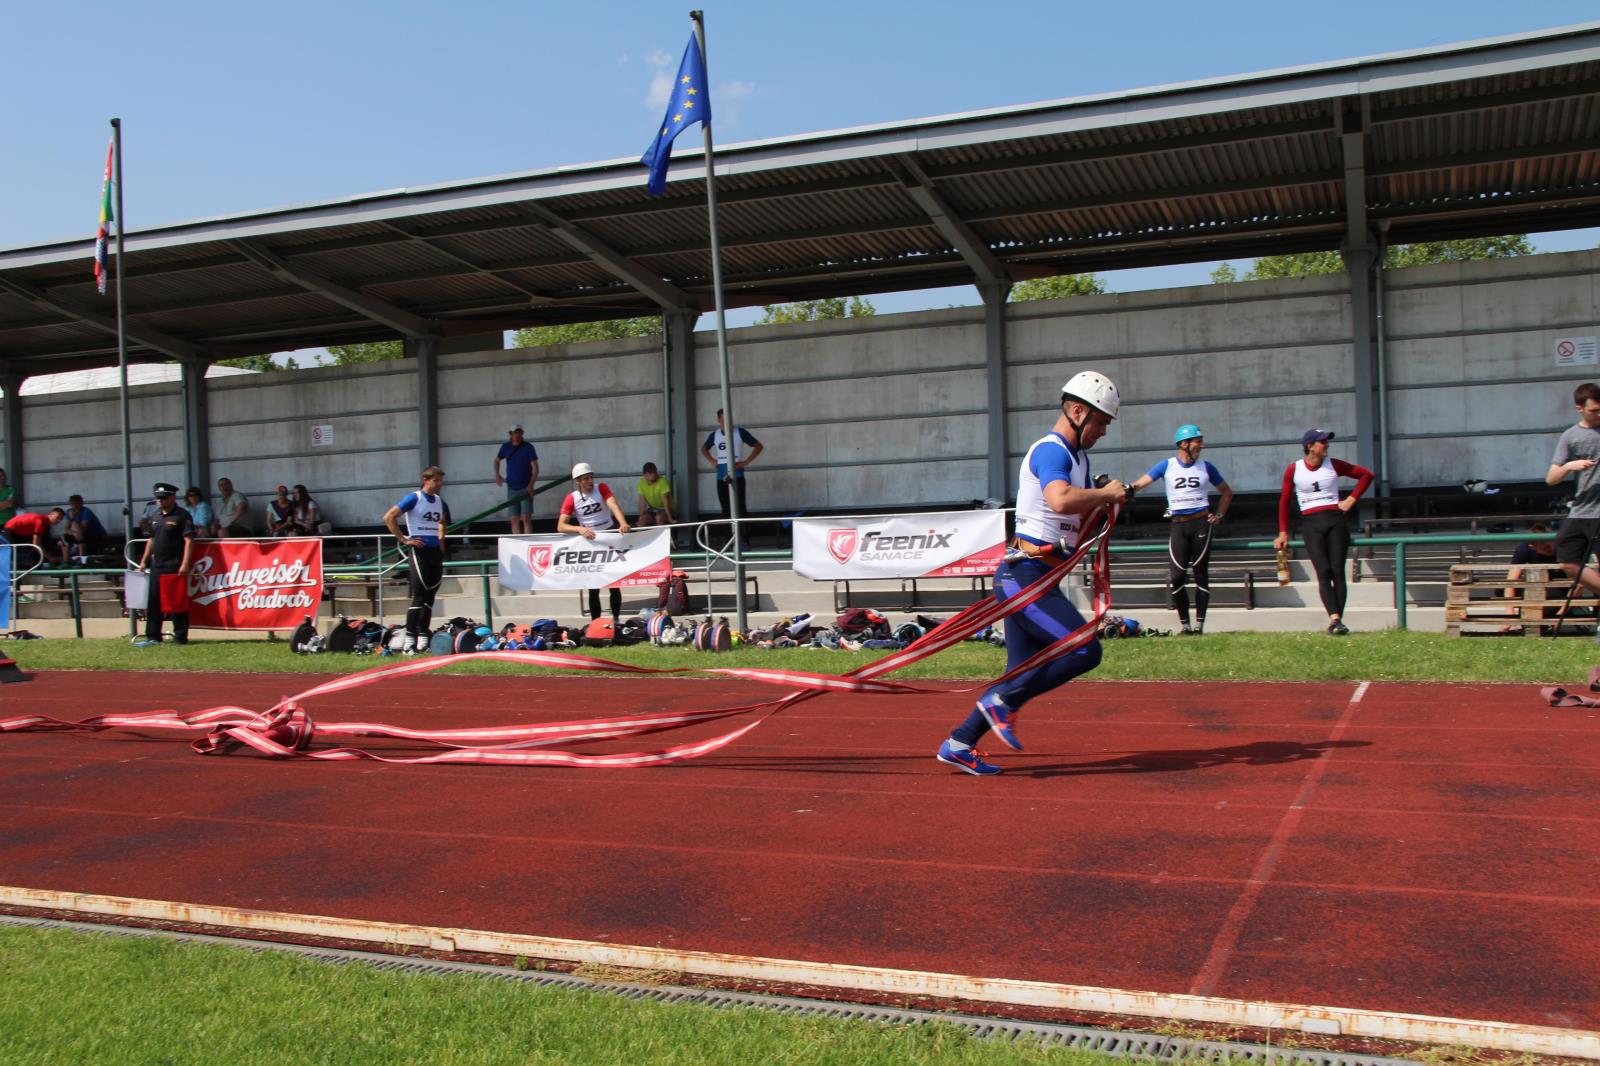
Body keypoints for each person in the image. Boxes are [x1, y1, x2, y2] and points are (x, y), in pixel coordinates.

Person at [937, 371, 1128, 777]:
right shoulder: (1051, 451)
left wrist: (1103, 499)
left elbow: (1073, 514)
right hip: (1022, 578)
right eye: (1101, 422)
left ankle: (958, 744)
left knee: (1018, 676)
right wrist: (1105, 493)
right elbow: (1059, 500)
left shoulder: (1078, 458)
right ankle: (1000, 703)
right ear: (1078, 412)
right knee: (1084, 649)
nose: (1103, 432)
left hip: (1037, 578)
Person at [1129, 424, 1233, 635]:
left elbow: (1227, 492)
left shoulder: (1206, 467)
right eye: (1198, 442)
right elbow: (1140, 484)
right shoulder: (1166, 466)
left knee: (1200, 574)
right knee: (1176, 576)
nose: (1201, 446)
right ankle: (1185, 626)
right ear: (1184, 444)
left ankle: (1199, 626)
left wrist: (1219, 515)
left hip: (1201, 523)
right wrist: (1125, 490)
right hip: (1178, 525)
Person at [1273, 430, 1374, 636]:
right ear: (1310, 446)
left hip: (1335, 520)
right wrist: (1283, 532)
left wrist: (1351, 499)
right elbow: (1284, 502)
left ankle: (1337, 620)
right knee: (1323, 571)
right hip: (1311, 524)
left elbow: (1366, 475)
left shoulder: (1334, 465)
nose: (1327, 445)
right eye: (1322, 442)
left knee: (1338, 571)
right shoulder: (1294, 469)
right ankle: (1335, 618)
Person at [1545, 380, 1600, 603]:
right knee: (1567, 562)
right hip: (1581, 510)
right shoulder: (1570, 436)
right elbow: (1551, 478)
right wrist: (1569, 466)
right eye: (1594, 410)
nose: (1599, 414)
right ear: (1579, 408)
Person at [384, 467, 448, 656]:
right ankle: (409, 641)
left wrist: (441, 543)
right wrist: (404, 539)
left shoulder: (439, 501)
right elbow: (389, 517)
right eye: (436, 481)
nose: (439, 484)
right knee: (419, 596)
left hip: (434, 552)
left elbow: (442, 522)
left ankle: (423, 639)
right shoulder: (414, 498)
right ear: (426, 480)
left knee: (430, 597)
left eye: (441, 481)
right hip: (419, 551)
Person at [557, 462, 632, 625]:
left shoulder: (602, 488)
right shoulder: (572, 498)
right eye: (585, 478)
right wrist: (579, 529)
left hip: (609, 536)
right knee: (593, 587)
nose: (590, 481)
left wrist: (623, 523)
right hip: (590, 543)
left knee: (614, 584)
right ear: (578, 481)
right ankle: (595, 625)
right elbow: (561, 526)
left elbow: (613, 505)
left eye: (591, 477)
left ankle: (616, 621)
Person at [133, 484, 195, 647]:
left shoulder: (181, 515)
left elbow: (189, 540)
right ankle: (153, 636)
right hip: (157, 565)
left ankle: (180, 637)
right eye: (158, 498)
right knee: (154, 602)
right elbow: (151, 540)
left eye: (163, 497)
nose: (160, 500)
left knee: (176, 603)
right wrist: (144, 560)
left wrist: (185, 563)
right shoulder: (156, 515)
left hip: (173, 564)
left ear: (172, 497)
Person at [701, 409, 762, 548]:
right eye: (723, 420)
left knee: (741, 509)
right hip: (721, 477)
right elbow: (704, 449)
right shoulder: (715, 434)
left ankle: (744, 541)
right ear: (718, 420)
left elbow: (758, 446)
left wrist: (746, 462)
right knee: (725, 510)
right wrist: (712, 461)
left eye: (728, 419)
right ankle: (728, 542)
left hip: (737, 476)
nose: (725, 422)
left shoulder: (740, 432)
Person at [493, 424, 540, 535]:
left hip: (525, 487)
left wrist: (531, 485)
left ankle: (527, 541)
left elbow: (535, 468)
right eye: (515, 433)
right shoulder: (505, 447)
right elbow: (496, 460)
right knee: (514, 519)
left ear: (522, 434)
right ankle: (516, 540)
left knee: (526, 518)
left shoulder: (528, 447)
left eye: (519, 433)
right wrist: (497, 475)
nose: (517, 435)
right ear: (510, 434)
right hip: (511, 487)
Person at [63, 494, 107, 561]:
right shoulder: (69, 511)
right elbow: (66, 529)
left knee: (81, 538)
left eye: (77, 504)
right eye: (72, 504)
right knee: (65, 537)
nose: (74, 506)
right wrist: (74, 533)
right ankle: (66, 562)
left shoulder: (86, 511)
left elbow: (82, 530)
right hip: (80, 534)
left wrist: (73, 519)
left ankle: (82, 561)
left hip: (96, 534)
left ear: (82, 503)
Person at [635, 462, 676, 527]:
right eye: (650, 473)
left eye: (654, 472)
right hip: (653, 509)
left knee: (659, 518)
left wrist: (670, 519)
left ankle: (662, 533)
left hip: (667, 510)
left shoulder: (663, 481)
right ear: (644, 474)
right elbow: (642, 503)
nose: (653, 474)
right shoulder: (641, 482)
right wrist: (640, 518)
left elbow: (666, 503)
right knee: (642, 520)